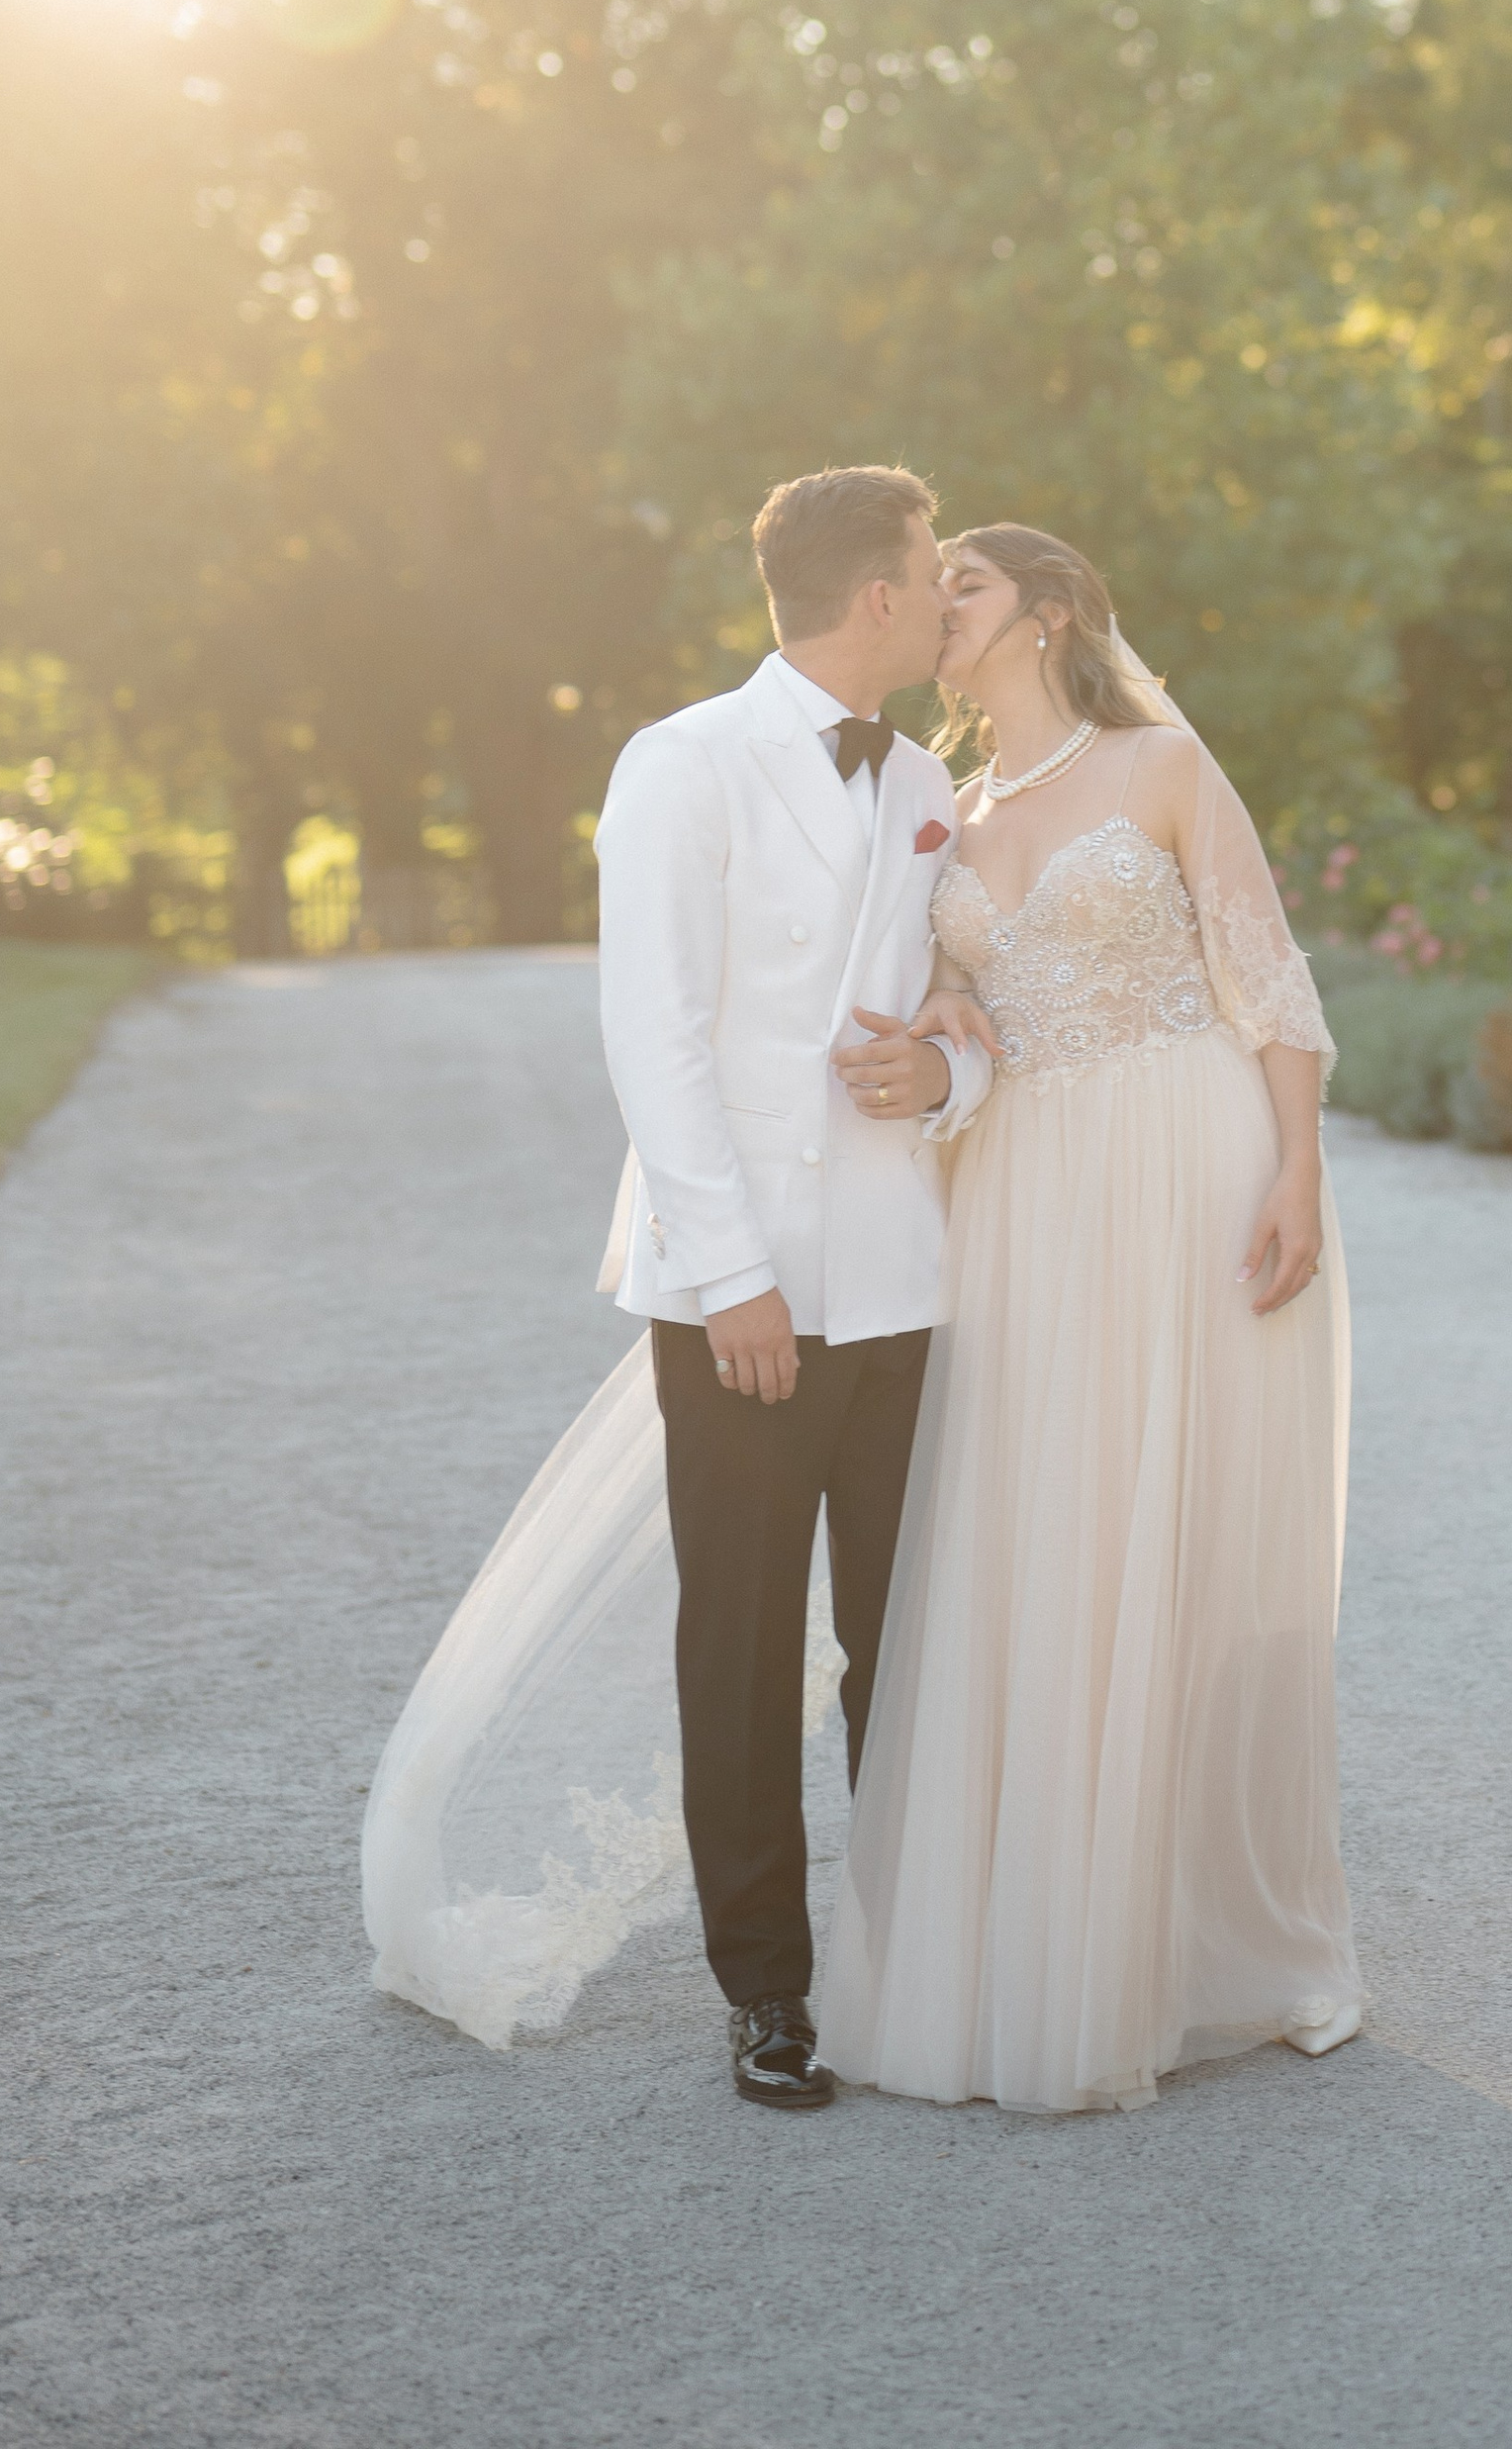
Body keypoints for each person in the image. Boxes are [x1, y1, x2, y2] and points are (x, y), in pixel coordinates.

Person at [814, 522, 1361, 2112]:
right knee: (1036, 1533)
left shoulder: (1162, 768)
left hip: (1187, 1164)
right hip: (1018, 1195)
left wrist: (1299, 1169)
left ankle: (1197, 1944)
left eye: (966, 585)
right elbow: (938, 1007)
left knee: (1172, 1538)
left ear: (1046, 614)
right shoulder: (947, 807)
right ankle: (1046, 1938)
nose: (937, 604)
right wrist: (949, 1009)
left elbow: (1269, 979)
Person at [591, 464, 989, 2112]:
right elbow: (654, 1035)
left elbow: (959, 1009)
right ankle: (765, 1989)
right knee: (744, 1646)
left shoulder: (926, 778)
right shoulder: (683, 762)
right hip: (741, 1294)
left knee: (908, 1639)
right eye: (932, 568)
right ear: (878, 595)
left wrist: (946, 1080)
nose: (948, 592)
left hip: (899, 1281)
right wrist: (731, 1276)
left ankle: (910, 1960)